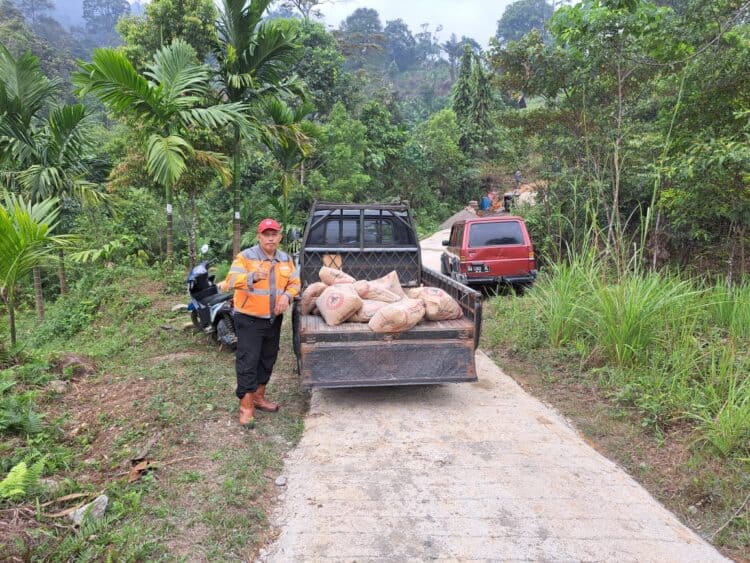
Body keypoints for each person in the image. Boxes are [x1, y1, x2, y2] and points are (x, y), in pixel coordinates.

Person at [219, 218, 301, 427]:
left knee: (267, 358)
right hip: (249, 318)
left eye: (274, 234)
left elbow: (294, 283)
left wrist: (287, 297)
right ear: (259, 237)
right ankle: (246, 406)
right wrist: (252, 276)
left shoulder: (285, 259)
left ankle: (258, 396)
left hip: (273, 319)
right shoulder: (245, 257)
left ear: (280, 237)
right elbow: (229, 281)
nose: (270, 238)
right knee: (248, 360)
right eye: (266, 234)